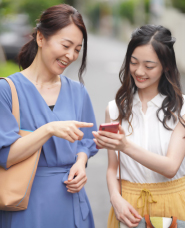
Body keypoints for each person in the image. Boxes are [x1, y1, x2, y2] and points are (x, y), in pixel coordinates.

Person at [0, 4, 98, 228]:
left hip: (72, 204)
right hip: (25, 205)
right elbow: (5, 155)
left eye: (77, 49)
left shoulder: (77, 91)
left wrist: (81, 163)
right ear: (41, 38)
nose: (71, 55)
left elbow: (86, 140)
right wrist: (48, 129)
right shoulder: (7, 90)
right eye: (66, 45)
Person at [92, 25, 185, 228]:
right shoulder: (115, 109)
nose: (139, 71)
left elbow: (170, 167)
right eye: (133, 63)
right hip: (128, 207)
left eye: (149, 66)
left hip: (174, 205)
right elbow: (112, 168)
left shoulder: (182, 109)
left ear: (166, 66)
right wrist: (115, 198)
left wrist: (125, 146)